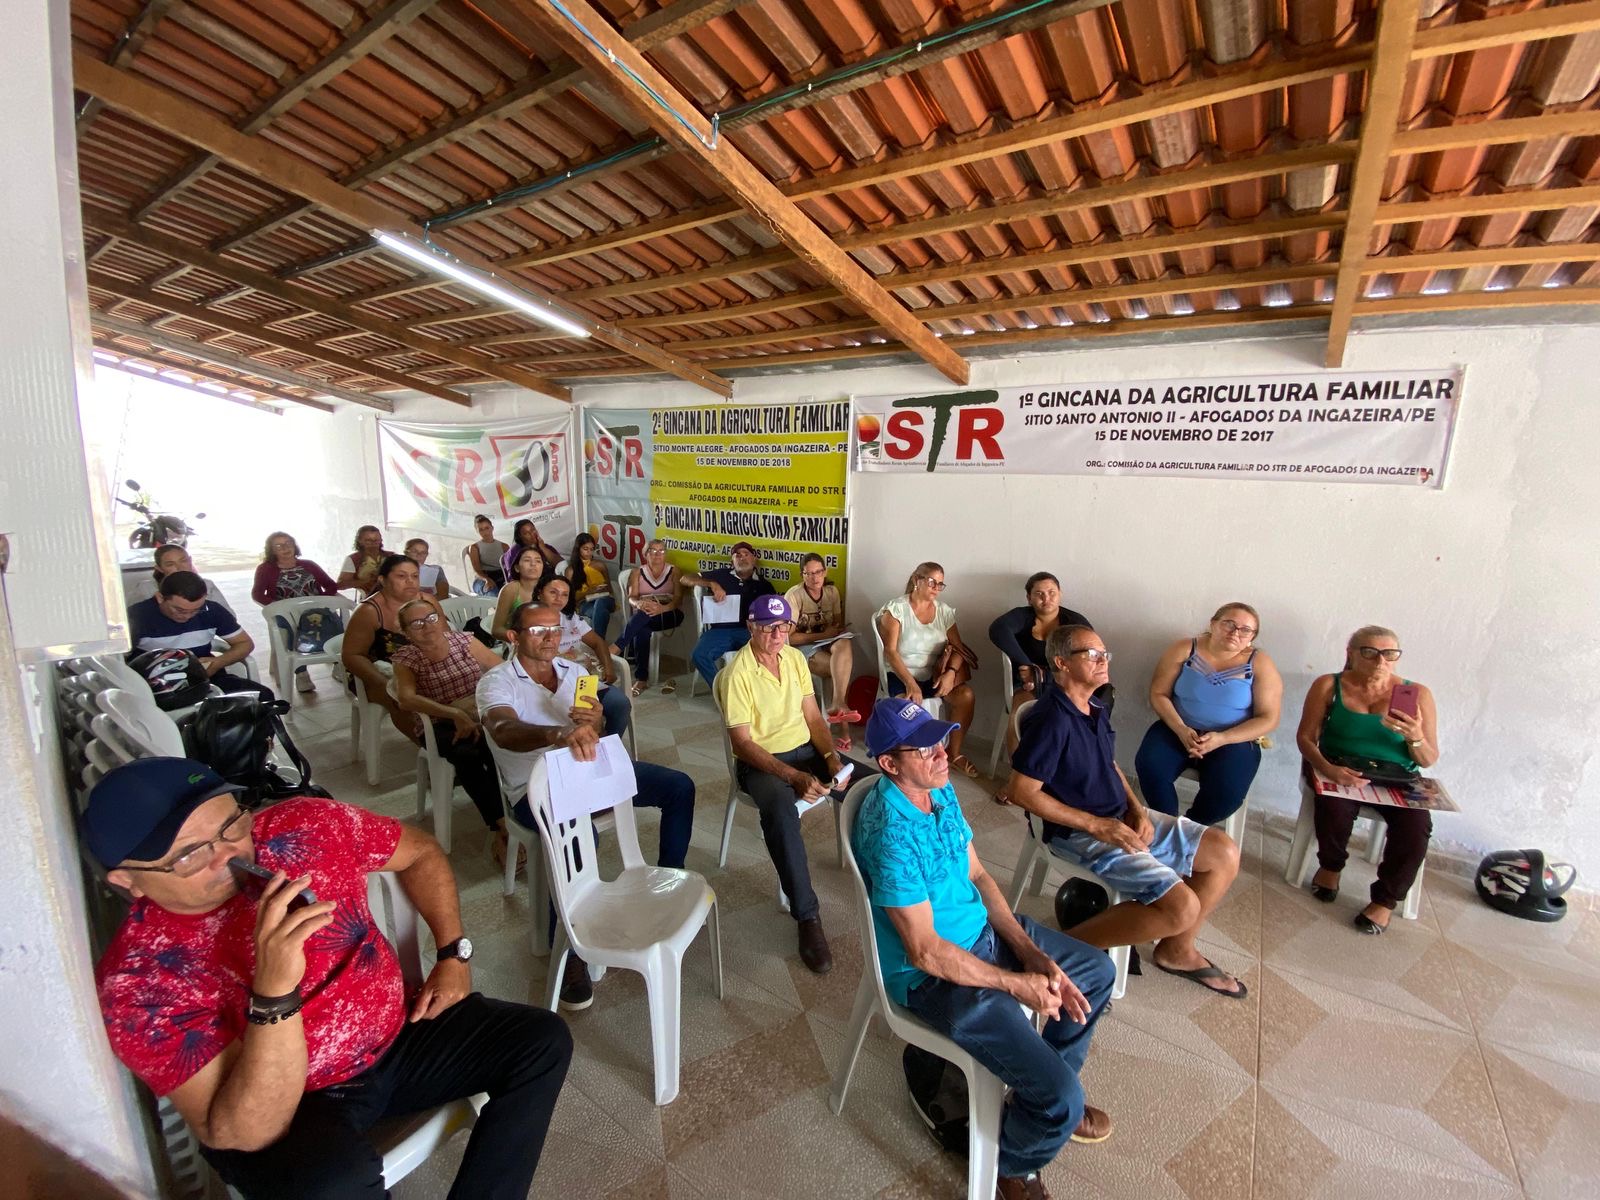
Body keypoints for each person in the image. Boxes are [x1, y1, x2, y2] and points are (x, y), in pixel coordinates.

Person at [86, 757, 571, 1200]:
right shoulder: (138, 981)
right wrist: (274, 993)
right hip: (295, 1102)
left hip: (399, 1035)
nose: (225, 856)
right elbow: (241, 1131)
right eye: (188, 855)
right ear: (127, 880)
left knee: (541, 1041)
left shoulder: (305, 826)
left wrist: (452, 954)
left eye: (231, 824)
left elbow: (420, 851)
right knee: (331, 1186)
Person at [854, 699, 1115, 1200]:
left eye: (939, 740)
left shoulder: (938, 787)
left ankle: (1037, 1092)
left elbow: (976, 873)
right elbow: (925, 952)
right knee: (1063, 1099)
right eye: (924, 749)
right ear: (889, 764)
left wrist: (1028, 951)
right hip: (934, 977)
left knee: (1096, 972)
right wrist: (1015, 983)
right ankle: (1010, 1164)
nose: (942, 753)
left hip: (984, 933)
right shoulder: (891, 833)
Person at [478, 604, 697, 1010]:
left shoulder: (573, 671)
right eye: (537, 630)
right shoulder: (497, 681)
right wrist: (558, 733)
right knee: (582, 839)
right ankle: (568, 948)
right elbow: (502, 729)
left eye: (554, 628)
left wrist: (595, 721)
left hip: (587, 770)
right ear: (514, 637)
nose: (550, 636)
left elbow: (595, 730)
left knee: (678, 788)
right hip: (535, 787)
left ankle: (666, 881)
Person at [1010, 625, 1247, 999]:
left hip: (1116, 816)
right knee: (1181, 907)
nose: (1103, 661)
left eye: (1105, 654)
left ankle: (1176, 950)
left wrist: (1137, 808)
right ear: (1061, 663)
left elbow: (1109, 765)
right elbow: (1021, 792)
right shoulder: (1052, 719)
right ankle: (1055, 953)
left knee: (1224, 852)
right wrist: (1097, 825)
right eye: (1092, 654)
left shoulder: (1095, 706)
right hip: (1078, 831)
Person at [720, 595, 873, 975]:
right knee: (780, 812)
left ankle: (890, 872)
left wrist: (830, 758)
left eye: (784, 626)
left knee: (872, 786)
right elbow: (742, 743)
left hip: (805, 750)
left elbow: (813, 718)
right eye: (768, 627)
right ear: (751, 627)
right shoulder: (738, 674)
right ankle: (807, 916)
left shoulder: (793, 658)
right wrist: (792, 776)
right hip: (761, 762)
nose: (777, 635)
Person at [1295, 625, 1440, 934]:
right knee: (1334, 807)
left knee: (1416, 826)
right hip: (1340, 765)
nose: (1380, 662)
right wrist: (1328, 768)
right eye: (1370, 652)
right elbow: (1306, 738)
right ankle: (1331, 867)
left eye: (1389, 654)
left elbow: (1427, 759)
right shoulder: (1329, 685)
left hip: (1396, 775)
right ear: (1351, 654)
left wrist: (1414, 736)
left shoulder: (1418, 694)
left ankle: (1385, 900)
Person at [1134, 603, 1282, 828]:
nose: (1235, 633)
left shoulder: (1260, 663)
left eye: (1245, 630)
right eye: (1229, 624)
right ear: (1213, 624)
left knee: (1227, 792)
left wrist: (1223, 738)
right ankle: (1167, 825)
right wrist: (1181, 729)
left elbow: (1268, 718)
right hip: (1178, 728)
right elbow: (1158, 693)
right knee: (1150, 767)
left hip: (1233, 739)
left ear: (1252, 637)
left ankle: (1190, 828)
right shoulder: (1185, 649)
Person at [390, 599, 514, 864]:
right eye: (417, 623)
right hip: (438, 723)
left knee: (497, 744)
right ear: (406, 632)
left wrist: (481, 706)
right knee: (468, 753)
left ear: (441, 618)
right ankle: (502, 826)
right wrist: (454, 713)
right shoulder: (407, 658)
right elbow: (406, 699)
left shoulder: (465, 641)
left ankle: (505, 823)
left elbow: (501, 670)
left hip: (477, 713)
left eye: (431, 618)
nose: (427, 627)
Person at [988, 572, 1092, 803]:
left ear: (1060, 594)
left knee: (1069, 718)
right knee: (1020, 711)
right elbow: (997, 630)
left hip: (1066, 685)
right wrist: (1027, 665)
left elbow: (1087, 659)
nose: (1046, 599)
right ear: (1029, 598)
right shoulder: (1023, 616)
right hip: (1028, 685)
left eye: (1052, 593)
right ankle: (1016, 779)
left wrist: (1050, 676)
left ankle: (1059, 780)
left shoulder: (1075, 622)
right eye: (1039, 594)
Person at [877, 562, 979, 777]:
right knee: (909, 709)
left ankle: (954, 753)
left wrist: (950, 673)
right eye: (932, 582)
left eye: (940, 584)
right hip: (901, 673)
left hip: (934, 674)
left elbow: (958, 648)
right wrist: (910, 683)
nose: (936, 588)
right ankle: (912, 762)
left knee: (965, 696)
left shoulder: (944, 612)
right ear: (917, 580)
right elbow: (890, 652)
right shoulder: (896, 609)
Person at [340, 554, 444, 737]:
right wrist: (383, 683)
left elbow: (445, 637)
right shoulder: (369, 611)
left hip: (423, 668)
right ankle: (429, 745)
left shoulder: (427, 601)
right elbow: (352, 656)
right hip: (378, 674)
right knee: (404, 701)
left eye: (415, 576)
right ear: (383, 580)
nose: (410, 582)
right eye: (401, 576)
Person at [128, 572, 274, 699]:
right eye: (180, 610)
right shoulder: (137, 616)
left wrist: (218, 662)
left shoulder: (212, 610)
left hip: (205, 677)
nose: (187, 616)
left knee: (263, 697)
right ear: (160, 597)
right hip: (154, 685)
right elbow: (121, 661)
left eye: (196, 610)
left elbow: (244, 643)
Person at [533, 573, 630, 739]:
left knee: (620, 704)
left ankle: (607, 747)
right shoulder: (530, 621)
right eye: (553, 592)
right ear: (540, 593)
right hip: (552, 685)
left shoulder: (570, 618)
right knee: (574, 717)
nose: (559, 599)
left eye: (565, 594)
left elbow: (597, 642)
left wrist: (609, 669)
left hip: (583, 680)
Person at [784, 552, 857, 749]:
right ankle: (844, 728)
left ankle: (837, 704)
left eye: (818, 572)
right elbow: (788, 638)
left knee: (845, 645)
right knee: (839, 670)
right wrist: (822, 635)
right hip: (802, 647)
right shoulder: (794, 595)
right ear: (802, 575)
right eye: (808, 573)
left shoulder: (832, 592)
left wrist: (838, 631)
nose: (814, 578)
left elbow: (836, 625)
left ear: (825, 572)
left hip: (826, 642)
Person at [252, 532, 340, 694]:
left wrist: (321, 601)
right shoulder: (265, 569)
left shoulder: (309, 565)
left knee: (334, 621)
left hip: (315, 608)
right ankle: (301, 673)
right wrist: (277, 606)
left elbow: (331, 585)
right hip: (286, 612)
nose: (285, 548)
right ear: (271, 550)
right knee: (293, 627)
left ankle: (338, 663)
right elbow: (257, 594)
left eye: (288, 543)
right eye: (279, 546)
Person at [682, 542, 776, 689]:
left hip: (749, 632)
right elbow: (685, 578)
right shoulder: (721, 575)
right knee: (699, 655)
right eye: (737, 555)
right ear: (732, 561)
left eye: (746, 554)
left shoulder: (764, 585)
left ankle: (756, 692)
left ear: (754, 560)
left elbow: (772, 615)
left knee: (767, 651)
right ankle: (723, 691)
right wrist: (712, 584)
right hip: (720, 631)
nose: (742, 558)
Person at [611, 539, 685, 697]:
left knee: (642, 618)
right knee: (642, 629)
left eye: (662, 551)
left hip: (669, 613)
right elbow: (632, 597)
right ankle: (641, 679)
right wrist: (638, 604)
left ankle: (617, 647)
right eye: (653, 551)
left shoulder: (674, 571)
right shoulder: (637, 572)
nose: (658, 554)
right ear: (645, 554)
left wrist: (662, 608)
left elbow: (678, 600)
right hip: (645, 613)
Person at [129, 543, 234, 610]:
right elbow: (130, 621)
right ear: (159, 568)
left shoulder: (207, 585)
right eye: (170, 564)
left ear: (190, 561)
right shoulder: (146, 589)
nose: (180, 567)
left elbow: (229, 618)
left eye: (184, 561)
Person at [490, 546, 549, 645]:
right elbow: (496, 630)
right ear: (517, 568)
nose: (533, 564)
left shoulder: (548, 589)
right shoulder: (511, 589)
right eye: (527, 560)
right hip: (516, 644)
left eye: (538, 561)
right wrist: (522, 640)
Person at [565, 532, 615, 639]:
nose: (589, 552)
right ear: (578, 549)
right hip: (585, 604)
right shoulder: (571, 570)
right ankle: (600, 643)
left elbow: (610, 589)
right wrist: (589, 592)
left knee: (600, 603)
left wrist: (601, 589)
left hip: (605, 599)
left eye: (592, 549)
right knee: (602, 613)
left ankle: (597, 644)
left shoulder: (600, 565)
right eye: (585, 549)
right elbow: (569, 599)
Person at [336, 525, 386, 593]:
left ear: (381, 540)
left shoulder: (391, 556)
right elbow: (340, 584)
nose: (373, 543)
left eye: (376, 540)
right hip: (368, 596)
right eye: (368, 540)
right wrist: (364, 581)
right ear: (360, 541)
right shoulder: (353, 559)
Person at [468, 513, 508, 594]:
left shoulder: (504, 546)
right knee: (492, 593)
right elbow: (477, 570)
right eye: (481, 530)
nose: (485, 532)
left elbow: (509, 567)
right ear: (477, 531)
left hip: (501, 576)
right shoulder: (474, 547)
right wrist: (487, 579)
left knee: (510, 593)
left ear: (492, 528)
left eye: (487, 528)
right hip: (482, 578)